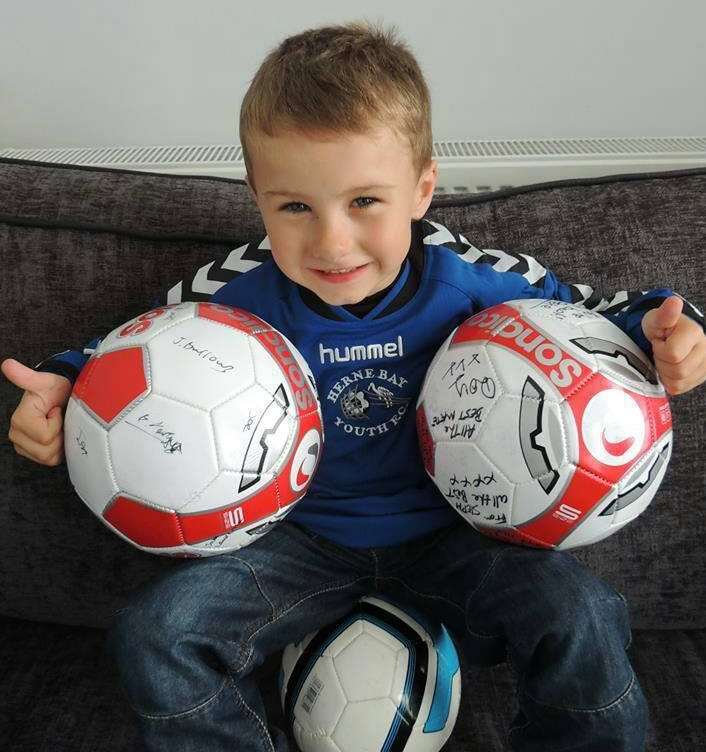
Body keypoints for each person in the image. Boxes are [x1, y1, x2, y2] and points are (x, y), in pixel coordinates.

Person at [3, 21, 706, 752]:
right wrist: (60, 382)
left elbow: (596, 315)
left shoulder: (473, 277)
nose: (333, 243)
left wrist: (675, 327)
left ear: (422, 188)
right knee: (159, 632)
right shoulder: (230, 290)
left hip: (459, 538)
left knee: (582, 612)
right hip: (296, 545)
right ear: (258, 197)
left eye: (365, 202)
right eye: (295, 207)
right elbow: (126, 352)